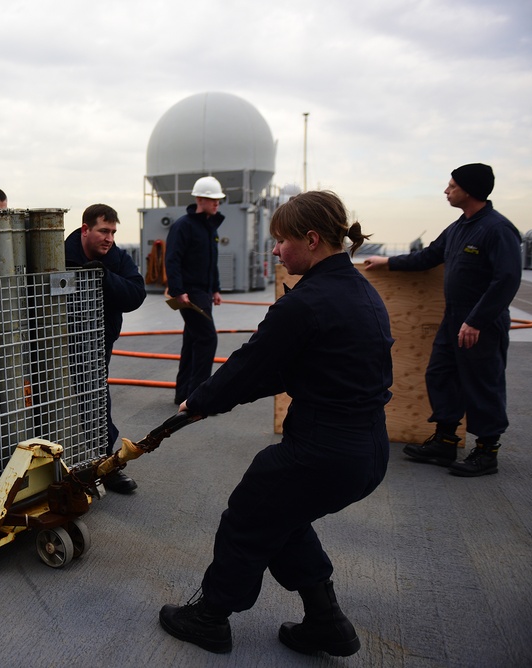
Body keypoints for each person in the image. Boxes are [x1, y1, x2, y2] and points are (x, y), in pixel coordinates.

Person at [159, 191, 393, 657]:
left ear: (311, 239)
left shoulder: (306, 302)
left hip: (321, 450)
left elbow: (253, 365)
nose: (274, 251)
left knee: (249, 516)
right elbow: (288, 368)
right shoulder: (359, 290)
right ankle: (327, 622)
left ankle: (210, 618)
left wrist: (199, 402)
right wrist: (215, 399)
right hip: (367, 449)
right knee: (282, 517)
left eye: (281, 240)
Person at [365, 163, 521, 477]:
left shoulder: (497, 229)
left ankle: (486, 452)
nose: (446, 190)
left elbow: (506, 279)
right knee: (440, 375)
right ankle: (445, 441)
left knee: (483, 384)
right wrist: (387, 262)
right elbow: (428, 257)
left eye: (451, 185)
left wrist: (476, 321)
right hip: (453, 321)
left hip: (481, 324)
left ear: (469, 189)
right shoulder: (459, 227)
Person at [65, 204, 146, 493]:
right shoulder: (59, 256)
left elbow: (136, 294)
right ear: (85, 229)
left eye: (113, 232)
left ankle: (105, 465)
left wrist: (105, 277)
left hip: (98, 343)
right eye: (103, 231)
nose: (109, 237)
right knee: (52, 401)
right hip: (57, 343)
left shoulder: (117, 259)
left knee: (95, 400)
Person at [164, 176, 225, 404]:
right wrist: (179, 291)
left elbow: (212, 261)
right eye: (212, 199)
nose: (217, 203)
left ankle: (184, 394)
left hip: (203, 293)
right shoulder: (184, 226)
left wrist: (215, 289)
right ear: (200, 199)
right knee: (208, 339)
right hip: (189, 294)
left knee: (192, 340)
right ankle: (198, 397)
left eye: (218, 199)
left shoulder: (210, 228)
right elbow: (173, 259)